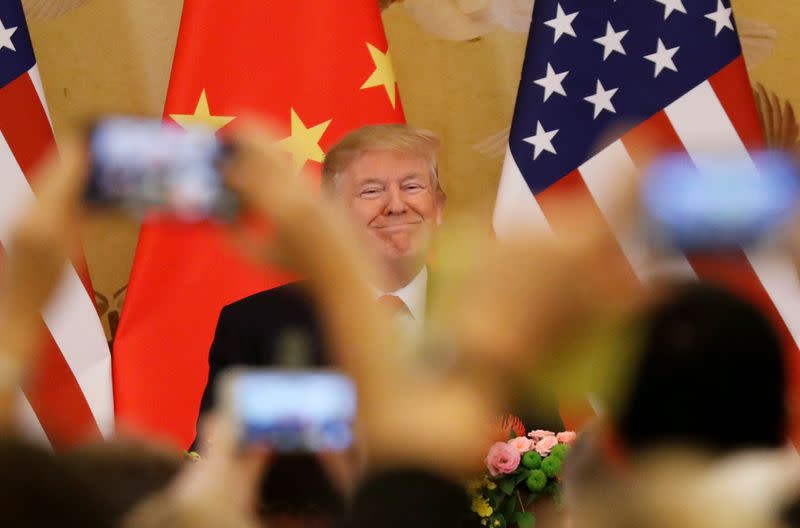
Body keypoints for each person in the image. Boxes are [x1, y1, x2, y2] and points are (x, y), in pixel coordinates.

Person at [193, 123, 447, 519]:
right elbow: (218, 470)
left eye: (412, 186)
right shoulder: (257, 325)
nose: (396, 205)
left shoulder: (488, 312)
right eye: (371, 190)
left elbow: (544, 449)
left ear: (440, 208)